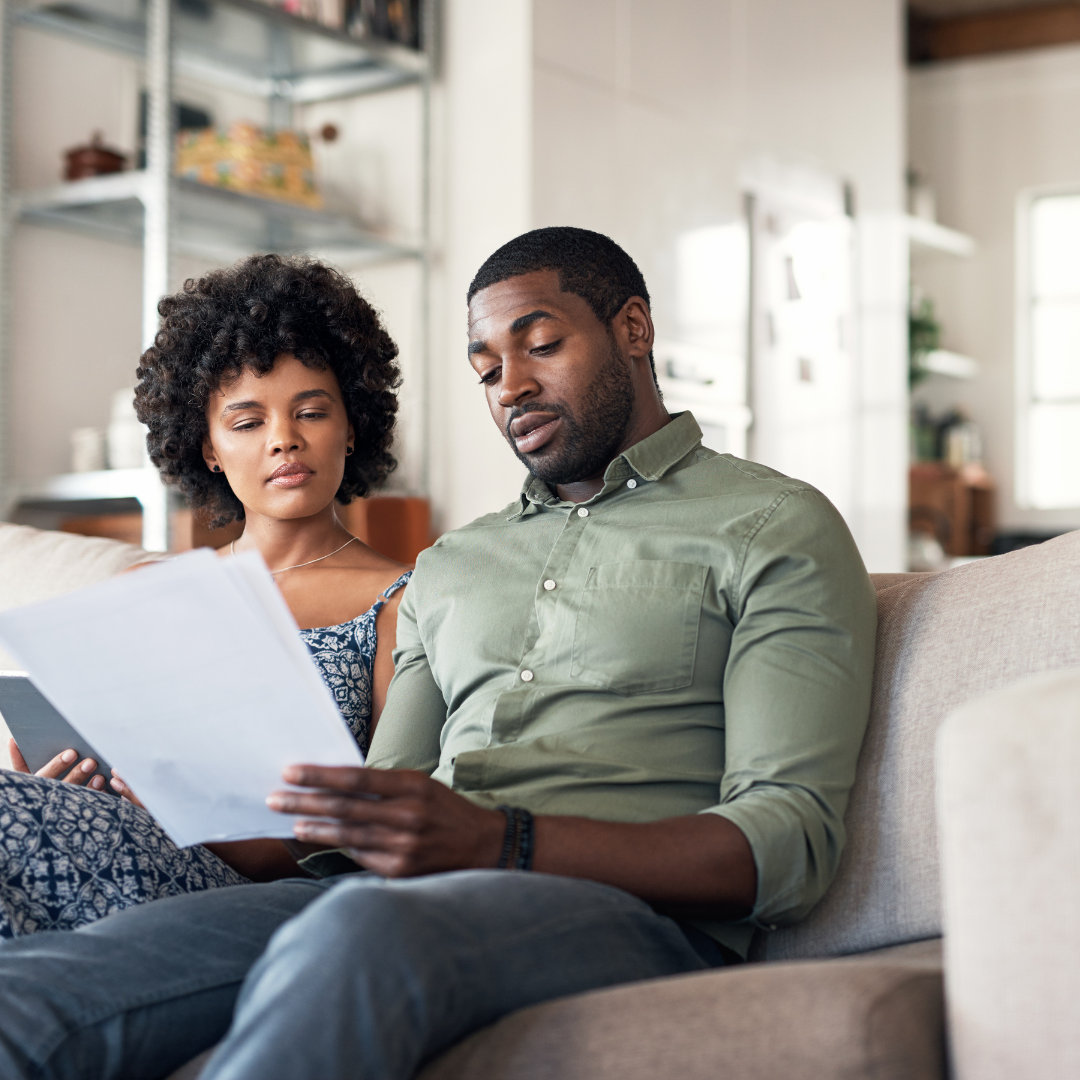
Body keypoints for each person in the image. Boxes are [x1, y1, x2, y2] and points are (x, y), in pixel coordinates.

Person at [0, 227, 877, 1080]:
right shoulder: (455, 566)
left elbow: (789, 847)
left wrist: (503, 841)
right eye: (488, 370)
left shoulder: (771, 528)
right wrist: (177, 792)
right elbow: (361, 824)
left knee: (357, 936)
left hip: (626, 914)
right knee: (40, 987)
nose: (513, 387)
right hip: (380, 899)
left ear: (634, 330)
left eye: (540, 346)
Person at [0, 253, 409, 937]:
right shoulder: (148, 592)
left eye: (311, 411)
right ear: (210, 447)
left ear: (352, 425)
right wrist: (51, 781)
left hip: (263, 896)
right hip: (106, 848)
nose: (284, 440)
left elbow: (382, 837)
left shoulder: (400, 601)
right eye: (247, 423)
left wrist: (199, 824)